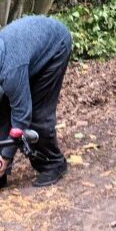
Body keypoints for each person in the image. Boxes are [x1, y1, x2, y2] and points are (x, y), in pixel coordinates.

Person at [0, 15, 72, 188]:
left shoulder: (10, 71)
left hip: (55, 47)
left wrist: (6, 156)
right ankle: (2, 172)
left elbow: (22, 114)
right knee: (2, 108)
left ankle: (54, 164)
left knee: (37, 114)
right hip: (30, 51)